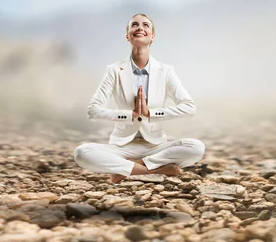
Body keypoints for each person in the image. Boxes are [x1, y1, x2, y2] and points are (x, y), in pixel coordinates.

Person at [73, 13, 205, 184]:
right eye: (134, 25)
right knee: (82, 152)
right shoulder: (114, 70)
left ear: (152, 36)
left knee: (196, 148)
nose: (140, 28)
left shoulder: (166, 71)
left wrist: (151, 113)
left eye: (146, 25)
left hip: (156, 147)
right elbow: (93, 110)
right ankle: (156, 169)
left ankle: (126, 169)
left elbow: (189, 107)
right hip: (121, 147)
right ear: (127, 36)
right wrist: (130, 115)